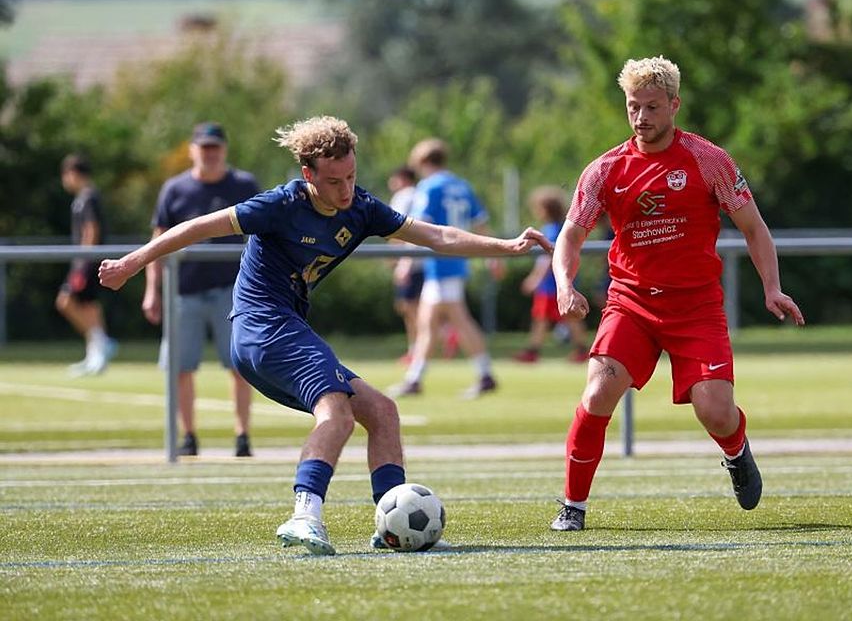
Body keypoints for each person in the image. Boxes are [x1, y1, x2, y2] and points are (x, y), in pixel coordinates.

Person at [99, 115, 550, 555]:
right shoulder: (280, 205)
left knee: (382, 411)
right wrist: (131, 263)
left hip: (284, 328)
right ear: (308, 174)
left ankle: (391, 526)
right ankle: (304, 516)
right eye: (334, 181)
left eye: (351, 176)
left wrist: (506, 246)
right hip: (262, 326)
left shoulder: (362, 209)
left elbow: (439, 237)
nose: (346, 189)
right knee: (336, 414)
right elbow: (195, 228)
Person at [549, 56, 804, 532]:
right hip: (631, 303)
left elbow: (753, 227)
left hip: (696, 306)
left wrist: (772, 286)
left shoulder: (709, 160)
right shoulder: (605, 169)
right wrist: (565, 284)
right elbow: (570, 235)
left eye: (651, 107)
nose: (641, 117)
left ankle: (736, 450)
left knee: (716, 411)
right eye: (632, 107)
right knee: (599, 390)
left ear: (673, 105)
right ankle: (572, 505)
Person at [143, 122, 259, 458]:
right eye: (203, 147)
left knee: (240, 364)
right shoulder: (175, 189)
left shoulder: (243, 184)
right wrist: (152, 290)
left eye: (215, 147)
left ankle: (242, 435)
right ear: (193, 150)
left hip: (233, 291)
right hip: (184, 290)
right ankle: (188, 435)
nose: (209, 154)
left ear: (224, 150)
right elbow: (158, 241)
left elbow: (263, 236)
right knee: (181, 367)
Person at [390, 138, 500, 399]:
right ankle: (415, 378)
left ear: (423, 162)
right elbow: (481, 222)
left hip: (440, 262)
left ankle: (484, 374)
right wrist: (493, 256)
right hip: (455, 260)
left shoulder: (429, 187)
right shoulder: (462, 185)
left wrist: (405, 261)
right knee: (428, 323)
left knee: (457, 320)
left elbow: (420, 227)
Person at [55, 154, 117, 377]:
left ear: (72, 173)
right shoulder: (83, 197)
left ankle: (102, 343)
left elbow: (92, 230)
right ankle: (95, 354)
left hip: (87, 261)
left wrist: (83, 263)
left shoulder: (88, 197)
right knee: (89, 306)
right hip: (86, 261)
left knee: (65, 301)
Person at [513, 185, 590, 364]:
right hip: (558, 282)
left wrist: (535, 279)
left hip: (551, 284)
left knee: (550, 318)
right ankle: (578, 349)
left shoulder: (551, 230)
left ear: (546, 210)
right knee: (552, 318)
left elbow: (547, 259)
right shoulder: (560, 227)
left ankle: (535, 351)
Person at [385, 166, 424, 364]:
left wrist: (395, 257)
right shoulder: (420, 193)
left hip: (409, 259)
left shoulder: (403, 196)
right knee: (414, 306)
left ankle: (419, 348)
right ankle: (419, 346)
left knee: (408, 306)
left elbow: (397, 229)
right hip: (425, 258)